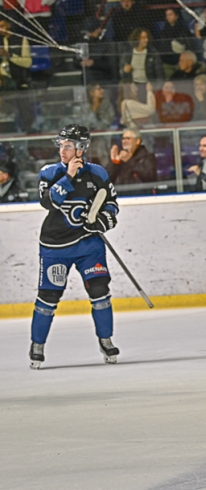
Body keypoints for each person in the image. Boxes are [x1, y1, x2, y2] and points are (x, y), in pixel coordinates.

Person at [29, 125, 121, 369]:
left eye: (68, 146)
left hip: (88, 245)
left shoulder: (98, 173)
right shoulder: (48, 173)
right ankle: (37, 345)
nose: (62, 150)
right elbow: (48, 203)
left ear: (81, 149)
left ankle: (106, 339)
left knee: (100, 291)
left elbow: (111, 205)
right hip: (54, 246)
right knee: (48, 297)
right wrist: (68, 176)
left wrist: (103, 221)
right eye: (61, 145)